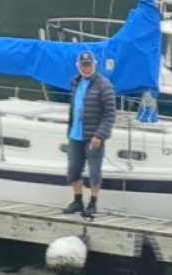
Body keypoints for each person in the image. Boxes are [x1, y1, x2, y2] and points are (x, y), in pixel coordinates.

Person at [63, 51, 117, 217]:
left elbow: (110, 114)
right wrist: (70, 129)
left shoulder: (104, 85)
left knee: (94, 171)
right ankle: (77, 200)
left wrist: (99, 136)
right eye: (83, 65)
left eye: (89, 65)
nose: (86, 68)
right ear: (78, 66)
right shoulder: (75, 82)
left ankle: (93, 203)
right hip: (75, 135)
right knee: (73, 170)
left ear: (94, 65)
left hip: (93, 137)